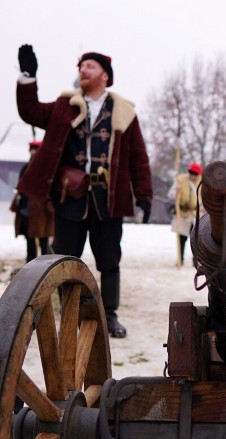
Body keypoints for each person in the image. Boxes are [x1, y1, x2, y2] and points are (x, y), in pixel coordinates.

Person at [15, 45, 153, 339]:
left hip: (108, 199)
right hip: (70, 198)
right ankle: (70, 313)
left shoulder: (124, 113)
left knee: (109, 261)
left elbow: (138, 157)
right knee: (64, 260)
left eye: (89, 66)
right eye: (80, 66)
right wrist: (28, 78)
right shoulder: (65, 105)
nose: (82, 70)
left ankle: (111, 314)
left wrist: (144, 195)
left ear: (105, 74)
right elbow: (30, 112)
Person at [11, 141, 54, 262]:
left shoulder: (46, 168)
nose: (33, 152)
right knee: (29, 237)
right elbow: (21, 185)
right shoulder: (26, 168)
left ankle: (45, 261)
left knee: (43, 237)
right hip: (27, 206)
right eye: (32, 150)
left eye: (36, 150)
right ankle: (31, 261)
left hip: (41, 207)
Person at [168, 162, 203, 266]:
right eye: (191, 172)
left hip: (196, 213)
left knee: (197, 238)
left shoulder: (203, 182)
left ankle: (196, 260)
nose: (192, 175)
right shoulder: (180, 180)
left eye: (195, 173)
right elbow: (171, 195)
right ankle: (180, 259)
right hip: (183, 213)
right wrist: (176, 193)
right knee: (182, 238)